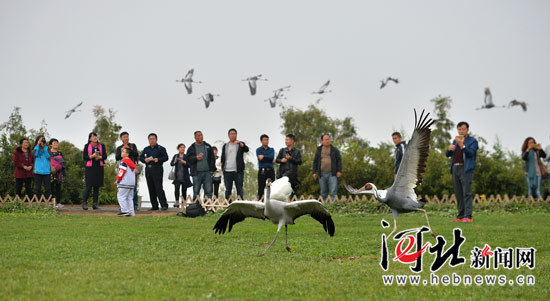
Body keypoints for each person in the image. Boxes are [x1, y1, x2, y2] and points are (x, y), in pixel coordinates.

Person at [445, 121, 479, 223]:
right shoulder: (455, 140)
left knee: (467, 193)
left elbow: (471, 153)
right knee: (458, 193)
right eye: (459, 129)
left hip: (466, 169)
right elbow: (448, 155)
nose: (461, 131)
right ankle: (460, 216)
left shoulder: (473, 141)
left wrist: (462, 146)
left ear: (467, 130)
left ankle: (468, 216)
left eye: (463, 129)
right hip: (455, 168)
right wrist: (449, 150)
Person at [139, 133, 169, 211]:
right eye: (150, 139)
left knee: (158, 187)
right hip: (148, 169)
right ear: (148, 140)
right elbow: (141, 158)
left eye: (153, 139)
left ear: (156, 139)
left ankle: (164, 205)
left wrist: (158, 159)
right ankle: (154, 205)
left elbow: (166, 157)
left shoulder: (161, 148)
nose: (151, 141)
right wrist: (144, 160)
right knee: (151, 187)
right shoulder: (146, 149)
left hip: (157, 169)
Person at [186, 131, 216, 201]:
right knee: (196, 191)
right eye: (198, 136)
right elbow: (188, 159)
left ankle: (208, 207)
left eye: (201, 135)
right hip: (196, 173)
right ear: (195, 137)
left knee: (209, 191)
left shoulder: (208, 146)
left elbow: (212, 158)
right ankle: (196, 208)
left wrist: (212, 169)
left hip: (207, 172)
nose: (200, 137)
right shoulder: (191, 147)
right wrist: (196, 157)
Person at [221, 128, 249, 201]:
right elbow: (223, 156)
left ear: (236, 135)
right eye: (231, 134)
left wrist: (242, 145)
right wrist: (222, 165)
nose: (233, 135)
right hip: (227, 170)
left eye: (234, 134)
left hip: (238, 170)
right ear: (228, 136)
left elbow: (247, 149)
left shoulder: (240, 144)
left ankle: (240, 204)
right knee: (228, 189)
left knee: (239, 188)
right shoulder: (225, 145)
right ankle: (228, 204)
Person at [312, 134, 342, 201]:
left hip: (332, 174)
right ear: (322, 141)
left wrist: (339, 171)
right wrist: (314, 172)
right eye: (325, 140)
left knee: (333, 191)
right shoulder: (319, 150)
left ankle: (333, 206)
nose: (327, 141)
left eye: (328, 139)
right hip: (321, 174)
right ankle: (324, 206)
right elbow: (315, 162)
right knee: (323, 192)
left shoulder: (334, 149)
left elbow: (339, 160)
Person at [115, 131, 140, 211]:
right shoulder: (119, 148)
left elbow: (136, 154)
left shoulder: (132, 145)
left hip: (132, 168)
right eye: (124, 137)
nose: (126, 138)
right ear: (121, 138)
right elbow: (117, 158)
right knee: (122, 187)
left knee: (133, 187)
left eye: (127, 136)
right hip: (123, 168)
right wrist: (122, 151)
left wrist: (128, 150)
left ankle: (135, 205)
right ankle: (124, 206)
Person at [82, 132, 107, 210]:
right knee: (88, 186)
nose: (94, 137)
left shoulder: (102, 145)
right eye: (92, 136)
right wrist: (92, 156)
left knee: (97, 186)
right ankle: (84, 203)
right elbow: (84, 157)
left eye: (95, 136)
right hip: (90, 168)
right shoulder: (87, 146)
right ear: (90, 139)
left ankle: (95, 204)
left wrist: (99, 157)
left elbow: (105, 156)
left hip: (99, 167)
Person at [256, 134, 275, 200]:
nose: (266, 141)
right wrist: (268, 159)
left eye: (267, 140)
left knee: (272, 186)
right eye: (265, 140)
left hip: (270, 170)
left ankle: (272, 200)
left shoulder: (271, 149)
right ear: (261, 141)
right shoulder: (258, 150)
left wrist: (264, 157)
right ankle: (260, 200)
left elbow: (271, 157)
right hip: (262, 170)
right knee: (261, 186)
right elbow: (260, 158)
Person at [32, 135, 51, 199]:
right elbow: (34, 154)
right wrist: (37, 145)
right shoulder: (35, 148)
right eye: (41, 140)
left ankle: (48, 202)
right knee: (37, 188)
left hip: (46, 171)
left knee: (48, 188)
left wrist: (44, 147)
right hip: (38, 171)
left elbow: (48, 156)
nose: (42, 141)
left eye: (43, 139)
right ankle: (38, 203)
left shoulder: (47, 148)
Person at [49, 138, 66, 208]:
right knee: (50, 188)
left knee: (58, 188)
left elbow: (62, 162)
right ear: (51, 145)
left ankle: (58, 203)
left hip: (58, 173)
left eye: (57, 143)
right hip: (50, 172)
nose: (56, 144)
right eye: (54, 143)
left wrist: (60, 168)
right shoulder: (48, 152)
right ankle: (50, 203)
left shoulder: (60, 153)